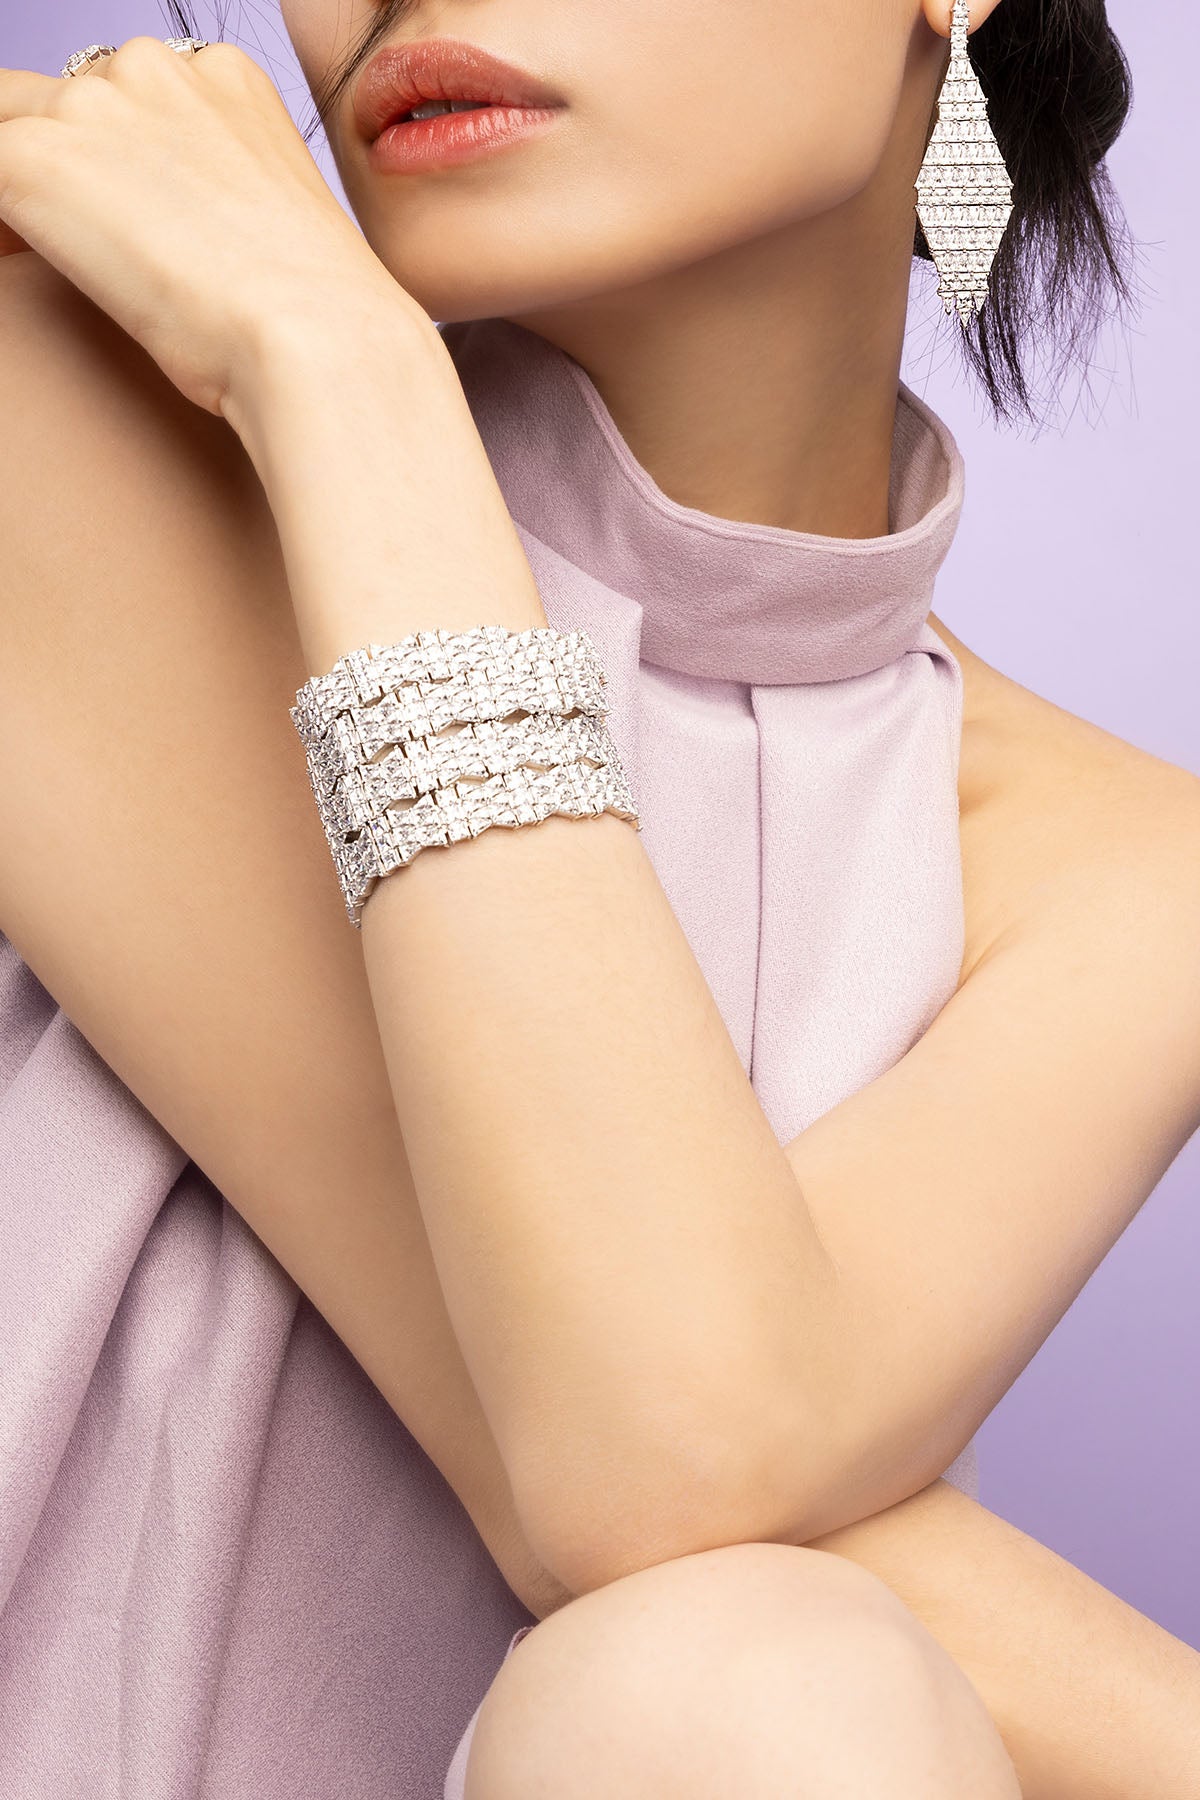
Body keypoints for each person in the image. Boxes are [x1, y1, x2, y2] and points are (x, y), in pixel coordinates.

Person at [0, 2, 1196, 1797]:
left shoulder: (1127, 880)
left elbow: (656, 1457)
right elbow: (665, 1442)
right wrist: (343, 370)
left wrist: (342, 370)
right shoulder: (50, 399)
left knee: (747, 1683)